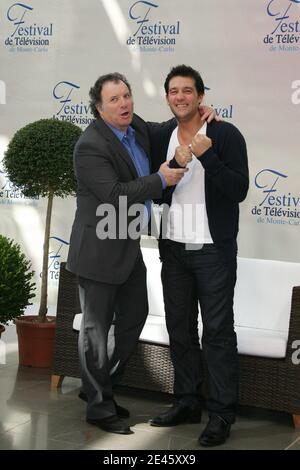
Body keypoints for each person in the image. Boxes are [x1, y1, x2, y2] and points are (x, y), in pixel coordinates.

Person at [66, 72, 215, 435]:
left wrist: (200, 113)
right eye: (114, 100)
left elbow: (170, 124)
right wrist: (162, 179)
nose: (124, 104)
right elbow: (115, 193)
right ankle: (100, 409)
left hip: (127, 245)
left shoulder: (139, 130)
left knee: (135, 315)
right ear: (99, 108)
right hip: (99, 250)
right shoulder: (90, 145)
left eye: (127, 96)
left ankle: (96, 386)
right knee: (96, 332)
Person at [148, 65, 249, 447]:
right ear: (168, 97)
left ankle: (221, 413)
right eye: (173, 91)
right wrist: (174, 165)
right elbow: (157, 191)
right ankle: (187, 401)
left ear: (201, 96)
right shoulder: (160, 135)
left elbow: (238, 189)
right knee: (180, 330)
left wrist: (208, 158)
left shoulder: (225, 134)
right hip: (173, 248)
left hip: (213, 251)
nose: (180, 97)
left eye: (187, 91)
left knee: (218, 333)